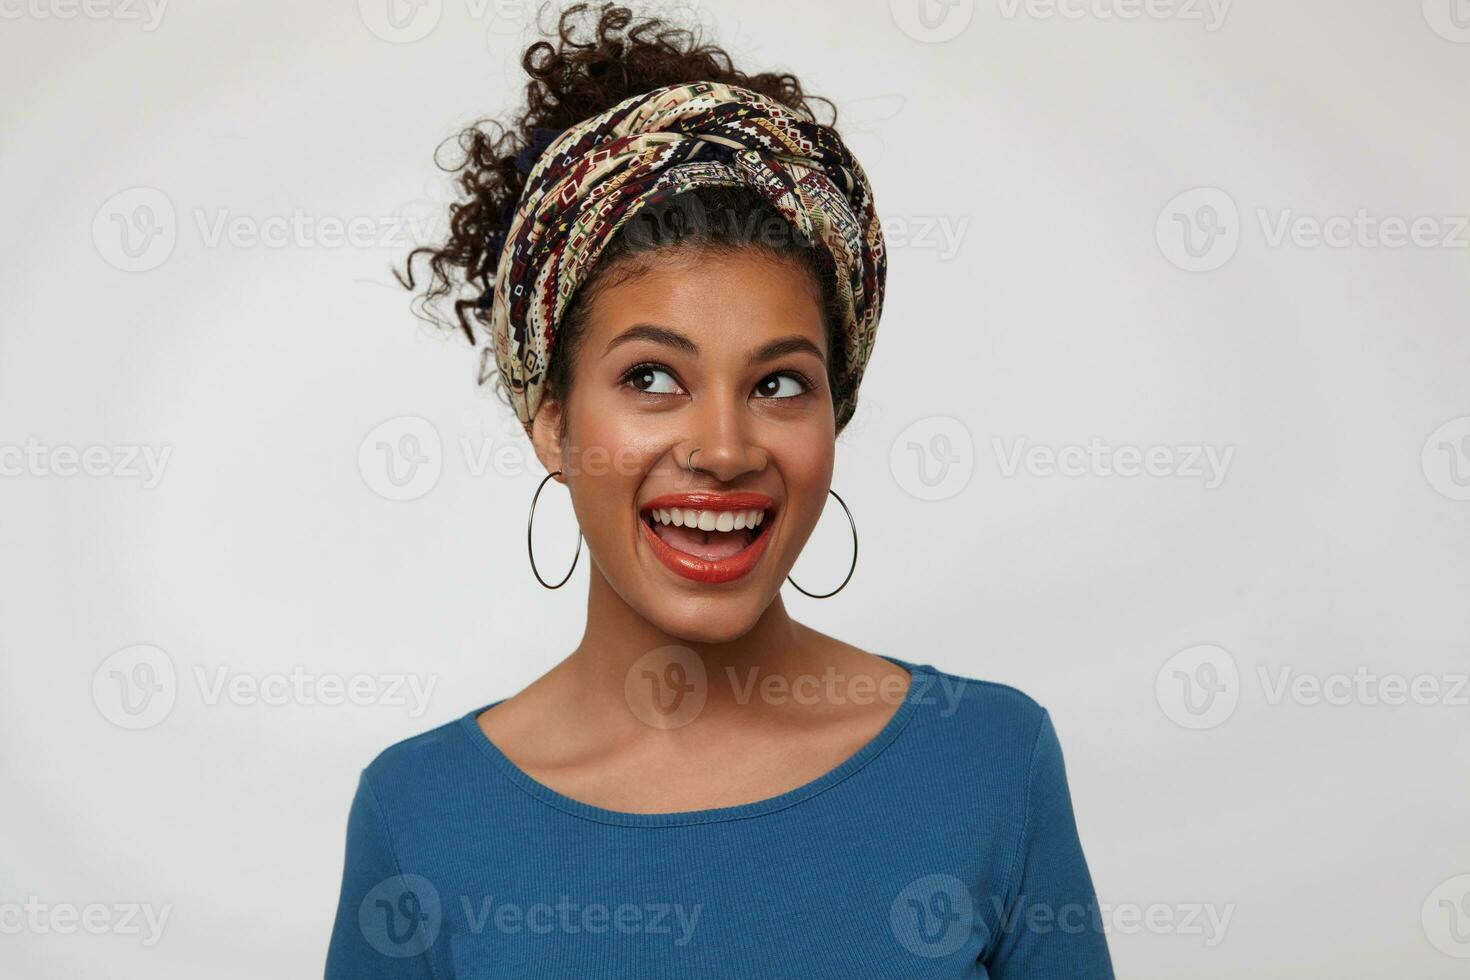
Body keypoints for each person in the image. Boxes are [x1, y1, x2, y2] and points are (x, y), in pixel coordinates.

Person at [325, 4, 1114, 976]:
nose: (725, 447)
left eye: (779, 383)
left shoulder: (990, 763)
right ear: (552, 419)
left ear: (836, 413)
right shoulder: (421, 815)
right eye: (652, 376)